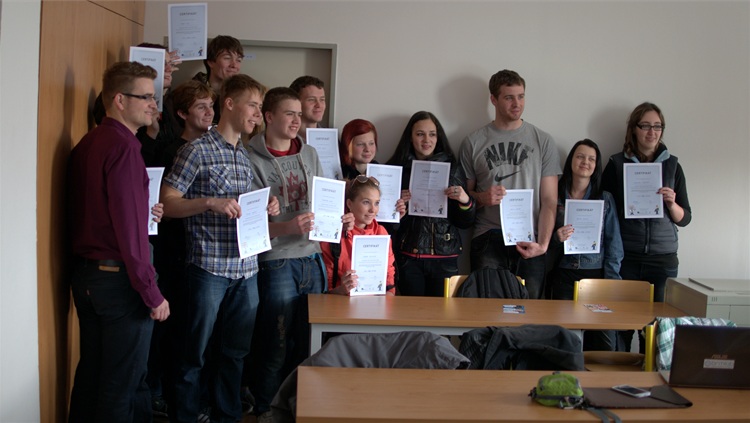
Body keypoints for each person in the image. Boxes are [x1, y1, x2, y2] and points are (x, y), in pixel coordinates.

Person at [160, 74, 279, 423]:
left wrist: (266, 206)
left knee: (235, 354)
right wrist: (209, 202)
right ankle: (186, 416)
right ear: (229, 104)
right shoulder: (195, 151)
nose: (257, 114)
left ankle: (228, 417)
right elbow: (167, 203)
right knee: (193, 354)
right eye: (253, 105)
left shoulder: (245, 155)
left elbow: (243, 208)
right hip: (208, 270)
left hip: (246, 269)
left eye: (259, 107)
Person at [68, 61, 170, 423]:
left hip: (88, 278)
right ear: (119, 100)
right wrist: (151, 292)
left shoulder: (90, 142)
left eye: (154, 97)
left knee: (91, 379)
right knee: (120, 388)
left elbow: (101, 212)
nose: (153, 105)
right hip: (119, 282)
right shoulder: (124, 147)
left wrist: (143, 211)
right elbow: (129, 233)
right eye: (145, 97)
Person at [245, 87, 354, 418]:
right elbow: (248, 227)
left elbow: (324, 203)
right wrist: (287, 227)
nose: (297, 120)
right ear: (269, 116)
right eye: (289, 114)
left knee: (309, 341)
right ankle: (267, 410)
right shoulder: (249, 158)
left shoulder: (309, 153)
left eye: (299, 114)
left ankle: (302, 409)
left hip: (312, 257)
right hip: (276, 261)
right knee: (275, 344)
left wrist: (341, 219)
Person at [459, 69, 561, 299]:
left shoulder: (543, 141)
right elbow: (464, 198)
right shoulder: (473, 142)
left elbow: (549, 200)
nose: (517, 104)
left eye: (521, 96)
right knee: (486, 311)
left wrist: (543, 244)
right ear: (493, 99)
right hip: (488, 235)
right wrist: (483, 197)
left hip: (530, 238)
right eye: (509, 97)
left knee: (529, 312)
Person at [602, 102, 692, 303]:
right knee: (623, 318)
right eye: (645, 126)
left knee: (657, 320)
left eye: (657, 126)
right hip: (627, 257)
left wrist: (671, 204)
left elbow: (685, 219)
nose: (652, 132)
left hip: (663, 260)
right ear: (634, 129)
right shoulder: (616, 165)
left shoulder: (673, 166)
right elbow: (605, 214)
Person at [386, 111, 476, 297]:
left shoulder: (453, 169)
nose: (427, 140)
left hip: (445, 256)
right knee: (412, 311)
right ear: (410, 137)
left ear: (438, 137)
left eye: (432, 134)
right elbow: (385, 224)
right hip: (409, 255)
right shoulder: (396, 170)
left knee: (443, 312)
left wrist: (465, 201)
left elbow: (464, 223)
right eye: (420, 134)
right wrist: (396, 208)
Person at [549, 139, 623, 350]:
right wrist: (556, 238)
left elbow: (614, 245)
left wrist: (611, 284)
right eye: (580, 156)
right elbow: (542, 239)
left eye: (591, 159)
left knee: (603, 342)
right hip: (563, 274)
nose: (585, 162)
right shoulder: (554, 196)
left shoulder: (605, 199)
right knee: (565, 340)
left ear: (596, 166)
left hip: (595, 277)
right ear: (571, 160)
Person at [321, 176, 399, 295]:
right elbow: (326, 290)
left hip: (376, 301)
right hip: (341, 302)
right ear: (349, 204)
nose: (373, 210)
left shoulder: (381, 232)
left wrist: (388, 297)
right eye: (366, 202)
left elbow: (389, 275)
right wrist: (342, 290)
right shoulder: (334, 235)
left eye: (377, 203)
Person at [193, 35, 244, 124]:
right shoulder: (192, 92)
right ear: (211, 62)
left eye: (238, 60)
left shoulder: (243, 93)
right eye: (227, 58)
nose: (234, 65)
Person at [289, 75, 326, 141]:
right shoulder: (282, 139)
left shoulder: (332, 140)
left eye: (322, 99)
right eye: (311, 99)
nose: (319, 105)